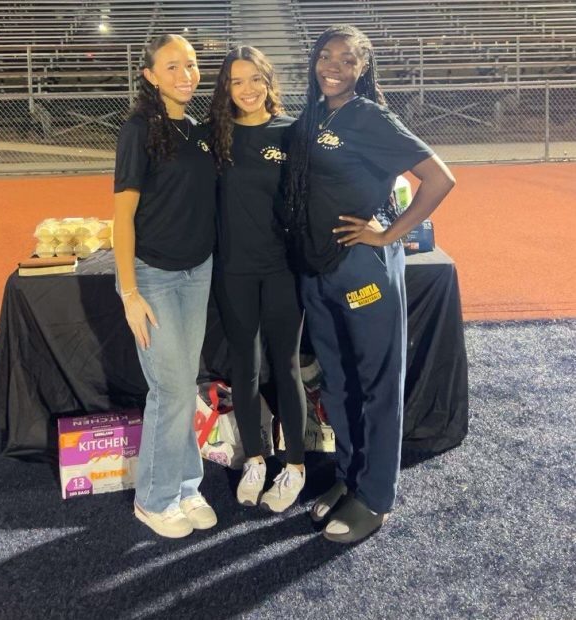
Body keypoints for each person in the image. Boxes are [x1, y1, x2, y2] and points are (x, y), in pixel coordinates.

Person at [286, 25, 455, 542]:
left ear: (362, 69)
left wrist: (388, 235)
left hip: (362, 271)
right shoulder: (315, 113)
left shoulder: (369, 116)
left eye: (346, 60)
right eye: (325, 56)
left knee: (378, 383)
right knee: (338, 383)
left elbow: (440, 178)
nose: (332, 66)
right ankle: (348, 479)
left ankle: (376, 497)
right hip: (319, 271)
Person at [113, 34, 218, 538]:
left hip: (198, 273)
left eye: (192, 64)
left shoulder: (198, 129)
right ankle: (153, 499)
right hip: (153, 275)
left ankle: (186, 484)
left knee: (184, 385)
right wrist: (128, 292)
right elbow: (122, 217)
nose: (185, 74)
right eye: (172, 66)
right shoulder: (138, 130)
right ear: (150, 75)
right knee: (170, 387)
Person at [208, 46, 307, 512]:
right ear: (226, 88)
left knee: (285, 367)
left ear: (269, 81)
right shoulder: (216, 137)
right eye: (235, 81)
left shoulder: (292, 132)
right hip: (235, 271)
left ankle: (295, 467)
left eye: (254, 79)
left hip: (283, 270)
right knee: (243, 369)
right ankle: (256, 460)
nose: (246, 90)